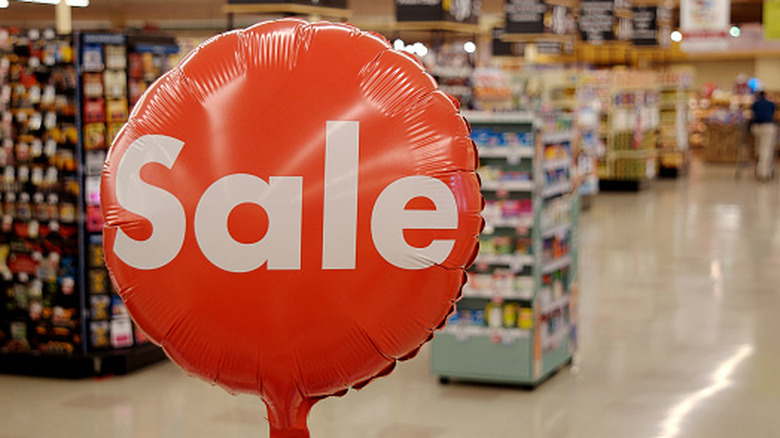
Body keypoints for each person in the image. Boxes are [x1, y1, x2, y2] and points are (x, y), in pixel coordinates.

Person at [751, 90, 777, 181]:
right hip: (767, 127)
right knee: (766, 150)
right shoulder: (771, 104)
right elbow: (773, 114)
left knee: (758, 149)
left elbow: (753, 115)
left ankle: (757, 171)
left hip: (756, 127)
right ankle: (764, 172)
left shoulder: (755, 104)